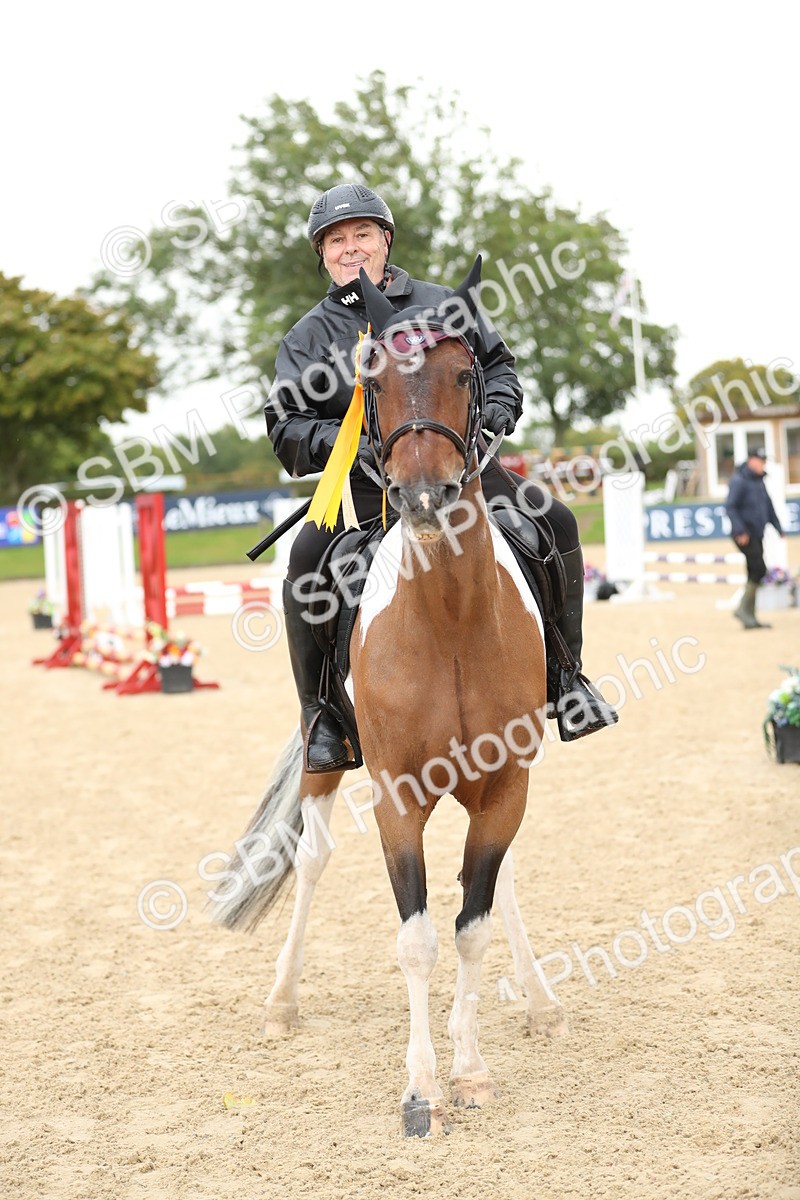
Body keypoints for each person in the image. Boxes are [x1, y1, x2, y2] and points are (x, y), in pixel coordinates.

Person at [265, 182, 617, 771]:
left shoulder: (443, 304)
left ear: (385, 239)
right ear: (322, 254)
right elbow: (286, 427)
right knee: (306, 561)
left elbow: (499, 368)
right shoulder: (305, 338)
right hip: (367, 491)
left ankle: (566, 678)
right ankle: (322, 715)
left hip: (465, 471)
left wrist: (497, 414)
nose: (350, 248)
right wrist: (352, 445)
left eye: (362, 235)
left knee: (554, 520)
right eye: (336, 241)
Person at [725, 447, 785, 629]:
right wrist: (740, 530)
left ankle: (749, 615)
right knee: (759, 569)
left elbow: (768, 506)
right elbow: (730, 507)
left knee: (754, 570)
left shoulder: (759, 482)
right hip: (745, 535)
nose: (763, 464)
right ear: (751, 460)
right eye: (761, 460)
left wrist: (778, 527)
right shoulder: (739, 481)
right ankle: (743, 609)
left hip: (757, 533)